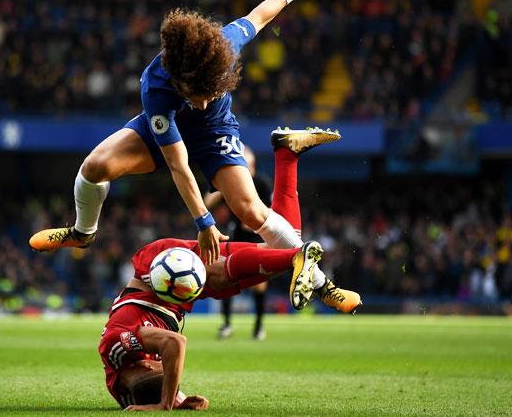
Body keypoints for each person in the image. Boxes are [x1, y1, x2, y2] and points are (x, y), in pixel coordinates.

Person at [29, 0, 333, 267]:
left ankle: (318, 280)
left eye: (210, 95)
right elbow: (178, 165)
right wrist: (203, 221)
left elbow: (260, 16)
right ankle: (83, 233)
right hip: (168, 128)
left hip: (214, 132)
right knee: (94, 167)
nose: (201, 104)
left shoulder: (225, 45)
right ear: (179, 82)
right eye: (195, 97)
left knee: (251, 211)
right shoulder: (157, 89)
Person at [97, 128, 362, 411]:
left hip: (159, 272)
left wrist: (165, 404)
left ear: (144, 371)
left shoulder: (118, 346)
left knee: (230, 269)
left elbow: (175, 344)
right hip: (178, 296)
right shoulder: (128, 389)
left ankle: (312, 275)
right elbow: (153, 381)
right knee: (278, 248)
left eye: (153, 367)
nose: (155, 362)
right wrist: (180, 400)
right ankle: (287, 155)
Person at [203, 146, 271, 340]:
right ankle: (226, 324)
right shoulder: (232, 180)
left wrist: (256, 224)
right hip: (236, 237)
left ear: (253, 165)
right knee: (226, 278)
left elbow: (271, 210)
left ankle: (258, 327)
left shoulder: (262, 183)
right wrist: (222, 187)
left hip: (258, 237)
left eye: (245, 164)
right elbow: (207, 202)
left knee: (259, 284)